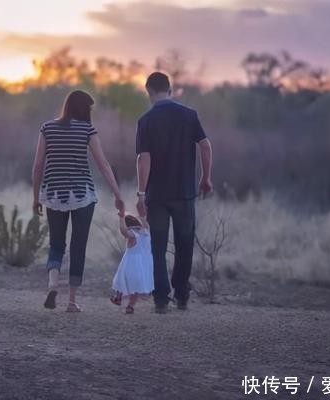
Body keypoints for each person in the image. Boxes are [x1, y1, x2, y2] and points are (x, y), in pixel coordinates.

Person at [32, 90, 125, 313]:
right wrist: (117, 194)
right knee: (78, 245)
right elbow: (103, 164)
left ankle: (53, 284)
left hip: (53, 194)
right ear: (84, 108)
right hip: (82, 195)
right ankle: (72, 301)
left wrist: (36, 197)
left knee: (56, 243)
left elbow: (37, 166)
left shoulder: (47, 128)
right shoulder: (87, 130)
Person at [135, 72, 213, 314]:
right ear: (169, 89)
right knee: (184, 244)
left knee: (157, 248)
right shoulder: (189, 116)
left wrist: (140, 194)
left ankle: (160, 299)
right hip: (184, 193)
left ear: (149, 91)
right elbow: (205, 146)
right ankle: (181, 294)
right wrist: (205, 178)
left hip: (157, 196)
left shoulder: (146, 120)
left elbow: (143, 159)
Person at [110, 213, 154, 314]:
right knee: (136, 287)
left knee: (122, 279)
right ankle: (130, 306)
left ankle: (118, 297)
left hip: (131, 263)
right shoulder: (146, 232)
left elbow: (124, 232)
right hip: (144, 264)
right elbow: (146, 223)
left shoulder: (133, 234)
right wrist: (142, 215)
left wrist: (121, 218)